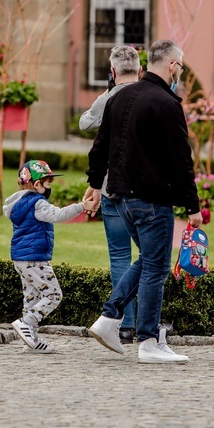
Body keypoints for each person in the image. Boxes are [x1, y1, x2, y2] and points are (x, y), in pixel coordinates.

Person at [83, 39, 201, 364]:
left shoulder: (119, 98)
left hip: (120, 198)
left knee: (149, 259)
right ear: (173, 66)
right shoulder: (166, 102)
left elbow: (100, 147)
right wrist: (193, 207)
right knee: (157, 267)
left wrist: (94, 186)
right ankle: (148, 341)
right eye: (181, 66)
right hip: (151, 199)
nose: (180, 72)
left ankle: (109, 318)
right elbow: (181, 161)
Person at [79, 45, 142, 344]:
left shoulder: (107, 99)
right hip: (142, 188)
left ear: (112, 72)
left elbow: (84, 123)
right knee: (149, 256)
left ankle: (123, 323)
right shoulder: (148, 96)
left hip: (109, 187)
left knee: (119, 255)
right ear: (141, 71)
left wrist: (105, 94)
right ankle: (146, 323)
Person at [5, 159, 97, 354]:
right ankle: (26, 323)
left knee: (31, 298)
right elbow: (58, 215)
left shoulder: (19, 204)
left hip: (21, 259)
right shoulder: (37, 203)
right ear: (36, 184)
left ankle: (31, 341)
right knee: (53, 295)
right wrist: (81, 206)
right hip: (35, 258)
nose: (49, 187)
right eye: (47, 183)